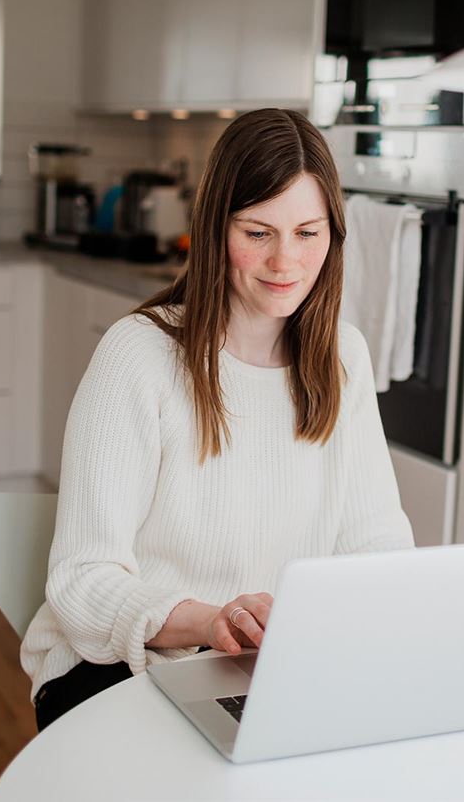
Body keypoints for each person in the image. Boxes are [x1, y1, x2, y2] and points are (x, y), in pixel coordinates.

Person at [21, 108, 415, 732]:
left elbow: (375, 541)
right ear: (214, 230)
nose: (286, 262)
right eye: (258, 233)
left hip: (267, 668)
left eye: (308, 234)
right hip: (122, 665)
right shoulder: (140, 355)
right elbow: (81, 583)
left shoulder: (344, 357)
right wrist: (212, 622)